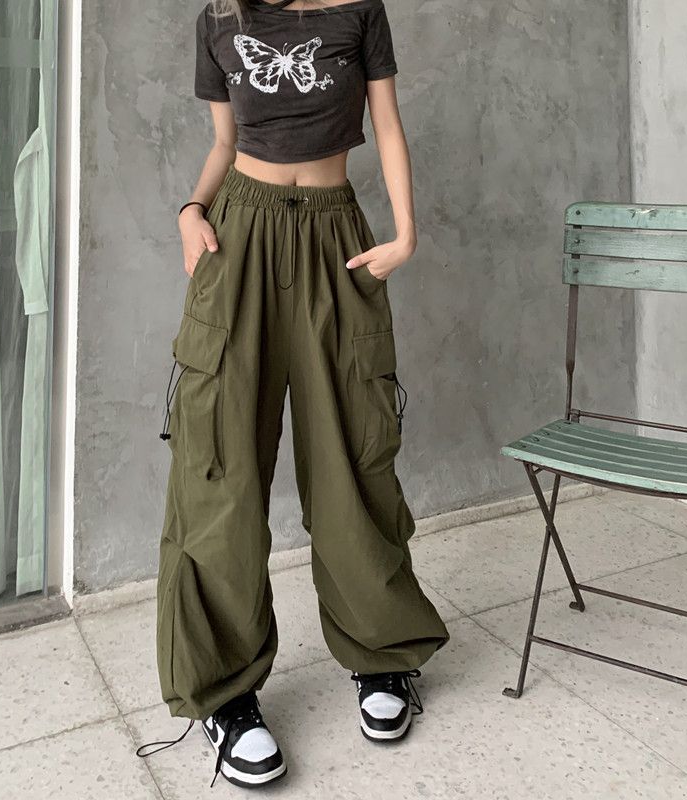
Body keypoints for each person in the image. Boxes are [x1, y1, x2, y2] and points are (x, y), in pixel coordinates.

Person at [137, 0, 449, 788]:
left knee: (353, 453)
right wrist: (189, 210)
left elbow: (386, 124)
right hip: (237, 236)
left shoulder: (360, 10)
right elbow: (223, 141)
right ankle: (225, 693)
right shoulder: (218, 16)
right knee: (220, 467)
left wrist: (405, 231)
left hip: (335, 236)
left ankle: (381, 657)